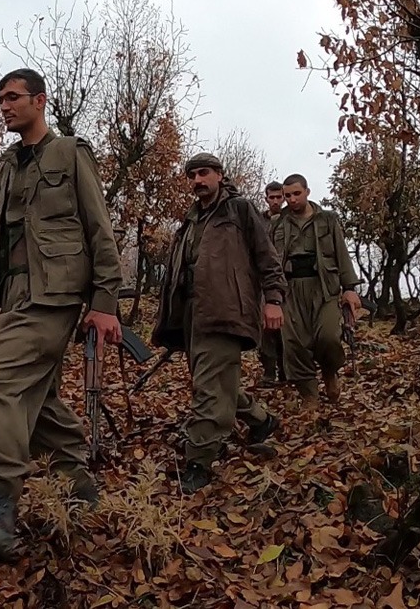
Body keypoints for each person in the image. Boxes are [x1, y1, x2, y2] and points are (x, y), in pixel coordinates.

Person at [0, 68, 123, 563]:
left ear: (39, 101)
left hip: (56, 296)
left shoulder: (69, 153)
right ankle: (77, 482)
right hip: (16, 295)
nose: (4, 106)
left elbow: (99, 230)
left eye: (13, 97)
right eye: (0, 98)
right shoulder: (7, 165)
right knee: (35, 399)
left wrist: (105, 303)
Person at [151, 153, 287, 494]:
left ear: (219, 175)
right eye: (193, 175)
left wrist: (273, 299)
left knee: (209, 389)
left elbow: (266, 256)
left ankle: (199, 462)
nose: (198, 180)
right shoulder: (191, 220)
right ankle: (261, 420)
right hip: (194, 315)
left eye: (204, 173)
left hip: (227, 310)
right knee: (214, 381)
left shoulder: (239, 210)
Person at [272, 173, 362, 407]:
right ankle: (309, 394)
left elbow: (341, 252)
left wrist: (349, 288)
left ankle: (330, 372)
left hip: (324, 287)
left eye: (296, 194)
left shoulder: (327, 220)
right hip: (290, 289)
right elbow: (268, 259)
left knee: (329, 336)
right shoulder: (277, 223)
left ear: (307, 192)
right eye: (287, 195)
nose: (291, 199)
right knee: (294, 343)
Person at [257, 181, 286, 385]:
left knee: (287, 329)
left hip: (288, 282)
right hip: (264, 281)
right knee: (266, 328)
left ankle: (286, 370)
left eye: (278, 197)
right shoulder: (258, 221)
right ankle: (269, 371)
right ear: (266, 198)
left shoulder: (290, 220)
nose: (275, 201)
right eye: (271, 197)